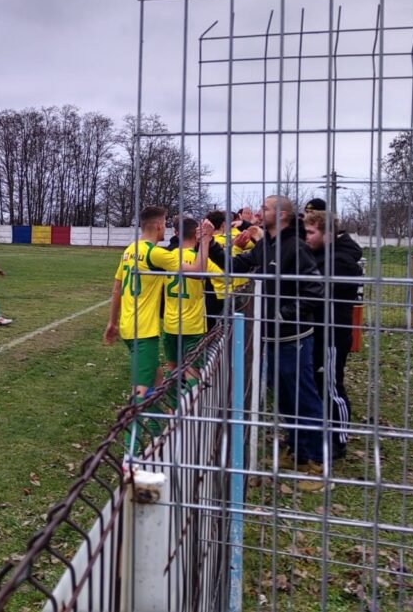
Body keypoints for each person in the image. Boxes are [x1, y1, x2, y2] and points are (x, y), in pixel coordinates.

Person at [231, 195, 327, 491]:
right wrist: (206, 244)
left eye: (265, 208)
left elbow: (315, 290)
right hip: (272, 338)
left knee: (304, 399)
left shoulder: (295, 247)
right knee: (286, 399)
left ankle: (318, 464)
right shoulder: (266, 245)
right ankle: (298, 454)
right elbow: (237, 264)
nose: (259, 212)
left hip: (293, 338)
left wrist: (281, 314)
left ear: (282, 215)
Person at [103, 206, 213, 444]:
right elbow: (199, 271)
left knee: (158, 376)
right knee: (140, 391)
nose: (166, 229)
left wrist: (112, 322)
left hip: (128, 327)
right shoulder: (156, 254)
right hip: (145, 331)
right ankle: (131, 453)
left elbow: (116, 288)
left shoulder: (130, 250)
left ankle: (156, 430)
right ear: (159, 225)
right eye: (165, 224)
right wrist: (205, 241)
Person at [303, 209, 363, 460]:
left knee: (331, 385)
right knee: (318, 383)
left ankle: (339, 440)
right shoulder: (322, 253)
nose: (306, 237)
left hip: (333, 333)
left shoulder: (341, 261)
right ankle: (319, 434)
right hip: (317, 329)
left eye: (310, 232)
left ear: (328, 234)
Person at [161, 218, 223, 408]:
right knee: (192, 369)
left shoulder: (167, 258)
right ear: (196, 235)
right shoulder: (202, 259)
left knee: (172, 368)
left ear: (176, 233)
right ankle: (191, 412)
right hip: (193, 324)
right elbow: (227, 280)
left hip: (170, 324)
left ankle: (173, 410)